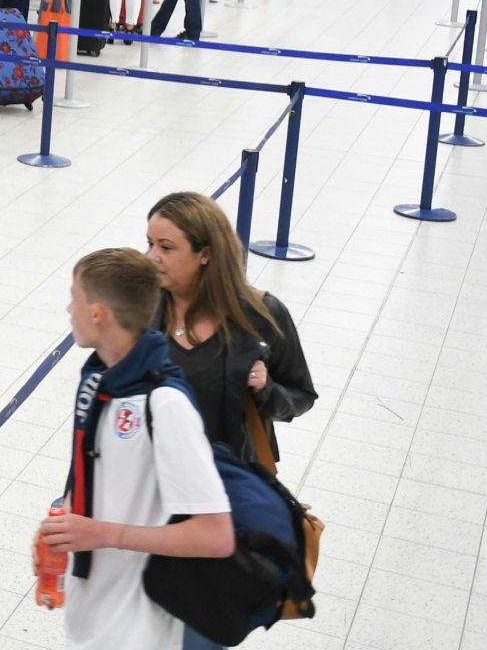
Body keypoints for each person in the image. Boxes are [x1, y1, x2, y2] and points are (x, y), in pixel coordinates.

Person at [38, 247, 235, 650]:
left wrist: (104, 533)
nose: (68, 309)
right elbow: (99, 475)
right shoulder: (100, 380)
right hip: (94, 613)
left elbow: (217, 537)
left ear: (98, 313)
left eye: (74, 297)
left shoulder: (166, 405)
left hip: (139, 628)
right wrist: (62, 525)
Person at [145, 192, 317, 470]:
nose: (152, 256)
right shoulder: (143, 308)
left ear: (205, 254)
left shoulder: (262, 314)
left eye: (166, 247)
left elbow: (302, 396)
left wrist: (266, 389)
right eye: (150, 244)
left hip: (230, 480)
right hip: (155, 474)